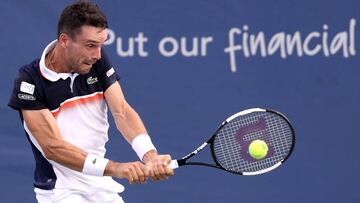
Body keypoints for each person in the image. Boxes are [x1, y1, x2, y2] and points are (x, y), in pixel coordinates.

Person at [8, 1, 174, 202]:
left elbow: (122, 111)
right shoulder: (30, 81)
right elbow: (52, 147)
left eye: (101, 45)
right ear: (64, 40)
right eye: (90, 46)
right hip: (61, 191)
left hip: (101, 186)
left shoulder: (95, 60)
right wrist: (116, 168)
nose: (97, 54)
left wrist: (150, 155)